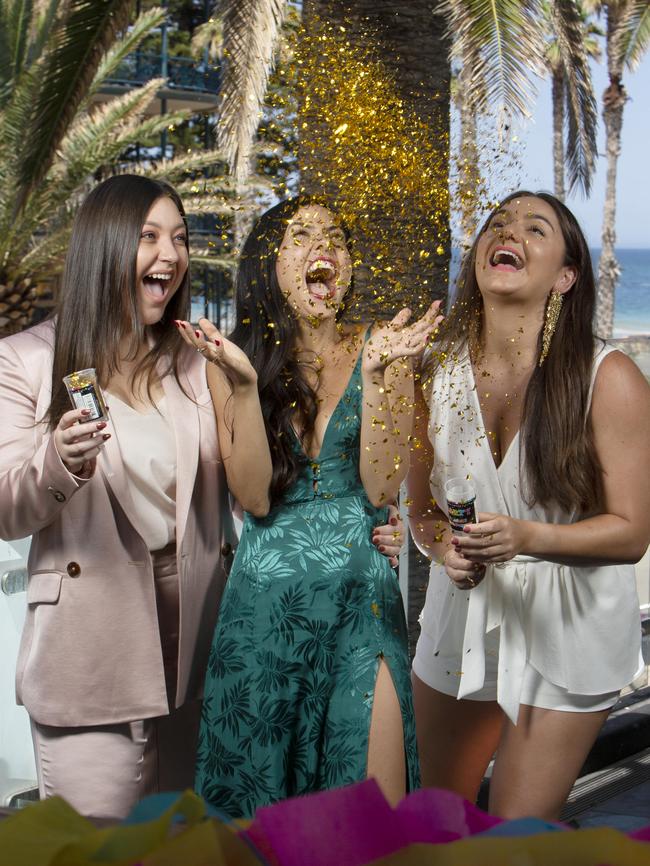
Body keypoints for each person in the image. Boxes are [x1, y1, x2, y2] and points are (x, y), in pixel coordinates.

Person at [177, 197, 442, 817]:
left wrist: (379, 381)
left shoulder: (386, 349)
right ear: (269, 264)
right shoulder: (234, 360)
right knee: (259, 826)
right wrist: (243, 386)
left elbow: (381, 489)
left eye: (336, 237)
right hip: (263, 613)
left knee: (369, 819)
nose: (324, 245)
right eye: (301, 235)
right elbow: (253, 496)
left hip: (362, 600)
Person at [0, 175, 243, 820]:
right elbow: (5, 509)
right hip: (91, 647)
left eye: (180, 239)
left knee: (182, 850)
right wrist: (58, 462)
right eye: (148, 237)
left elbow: (244, 485)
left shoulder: (194, 362)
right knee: (96, 851)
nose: (170, 255)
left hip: (195, 642)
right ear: (105, 248)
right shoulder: (26, 360)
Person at [407, 191, 650, 821]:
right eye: (496, 223)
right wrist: (445, 551)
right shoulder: (432, 373)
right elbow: (421, 510)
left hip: (567, 632)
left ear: (565, 276)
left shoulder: (611, 378)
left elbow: (632, 534)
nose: (506, 232)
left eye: (534, 228)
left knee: (513, 843)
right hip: (459, 618)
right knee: (437, 826)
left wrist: (526, 537)